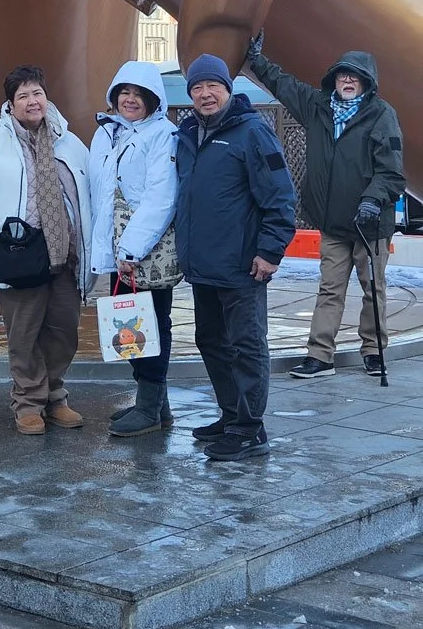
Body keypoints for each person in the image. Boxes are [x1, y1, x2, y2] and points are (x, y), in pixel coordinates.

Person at [247, 34, 406, 379]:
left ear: (367, 82)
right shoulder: (317, 107)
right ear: (334, 79)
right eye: (342, 75)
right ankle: (320, 356)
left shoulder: (382, 115)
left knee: (373, 289)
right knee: (329, 289)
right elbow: (284, 85)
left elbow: (392, 172)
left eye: (355, 76)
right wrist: (256, 60)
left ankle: (373, 350)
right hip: (333, 223)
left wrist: (371, 199)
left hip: (370, 225)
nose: (348, 80)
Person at [0, 65, 94, 435]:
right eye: (23, 96)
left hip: (65, 254)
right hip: (18, 254)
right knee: (25, 333)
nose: (32, 101)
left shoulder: (70, 143)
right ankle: (28, 401)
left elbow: (90, 194)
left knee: (63, 330)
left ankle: (55, 396)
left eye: (37, 93)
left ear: (47, 97)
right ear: (11, 104)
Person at [174, 54, 296, 461]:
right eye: (197, 87)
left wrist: (270, 251)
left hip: (243, 265)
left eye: (213, 85)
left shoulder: (252, 132)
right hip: (203, 264)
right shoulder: (189, 133)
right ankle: (231, 415)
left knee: (246, 344)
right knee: (210, 340)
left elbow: (280, 196)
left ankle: (249, 429)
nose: (205, 94)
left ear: (227, 89)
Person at [89, 61, 179, 436]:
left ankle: (148, 408)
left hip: (145, 252)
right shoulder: (109, 133)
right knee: (129, 323)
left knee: (151, 324)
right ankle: (156, 405)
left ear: (154, 100)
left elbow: (162, 197)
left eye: (139, 94)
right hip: (120, 251)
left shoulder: (163, 135)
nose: (130, 99)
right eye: (124, 92)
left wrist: (131, 249)